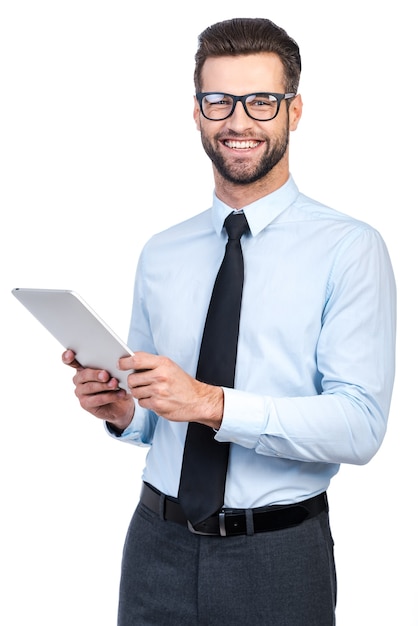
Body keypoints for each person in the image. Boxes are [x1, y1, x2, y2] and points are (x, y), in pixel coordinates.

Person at [63, 17, 396, 625]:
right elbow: (158, 414)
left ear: (294, 112)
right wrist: (123, 410)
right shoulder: (162, 252)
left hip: (276, 556)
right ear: (197, 113)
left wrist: (211, 403)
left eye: (261, 101)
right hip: (154, 546)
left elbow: (360, 425)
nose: (238, 122)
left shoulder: (349, 249)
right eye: (219, 101)